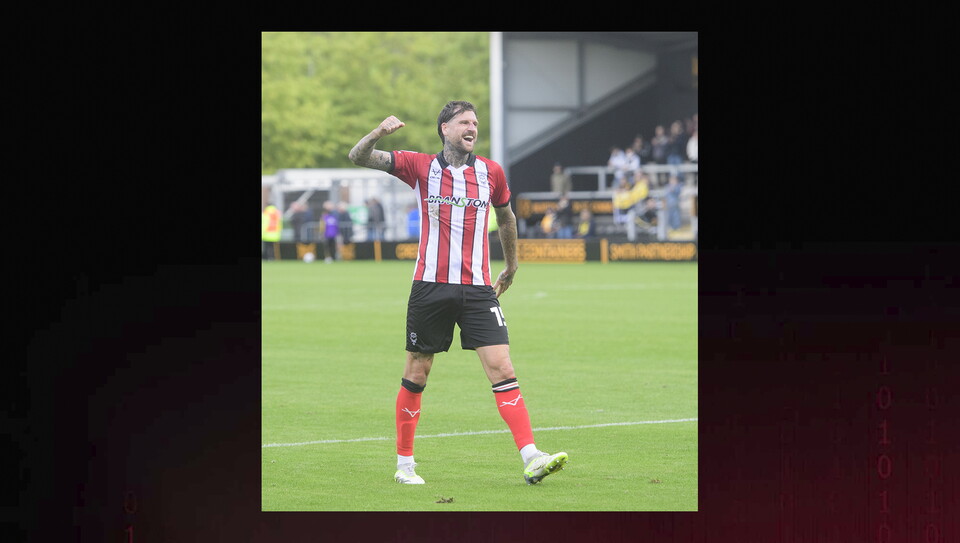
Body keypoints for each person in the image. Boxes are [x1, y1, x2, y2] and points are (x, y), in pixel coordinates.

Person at [348, 100, 568, 486]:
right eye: (464, 122)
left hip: (480, 289)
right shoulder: (418, 166)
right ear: (445, 128)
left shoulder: (491, 172)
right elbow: (358, 156)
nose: (472, 127)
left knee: (503, 367)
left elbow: (506, 216)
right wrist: (379, 133)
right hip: (430, 286)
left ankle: (531, 457)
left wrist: (512, 264)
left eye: (475, 122)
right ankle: (405, 465)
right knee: (418, 371)